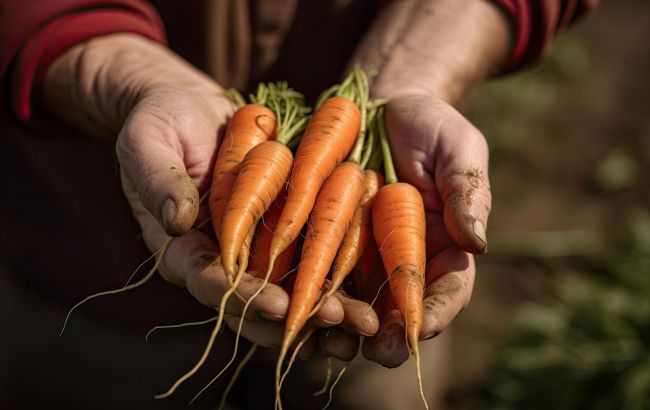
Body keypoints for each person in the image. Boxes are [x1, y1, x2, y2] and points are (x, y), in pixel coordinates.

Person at [0, 1, 595, 408]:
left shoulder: (377, 187)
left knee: (369, 361)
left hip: (369, 296)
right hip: (78, 255)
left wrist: (417, 73)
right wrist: (121, 73)